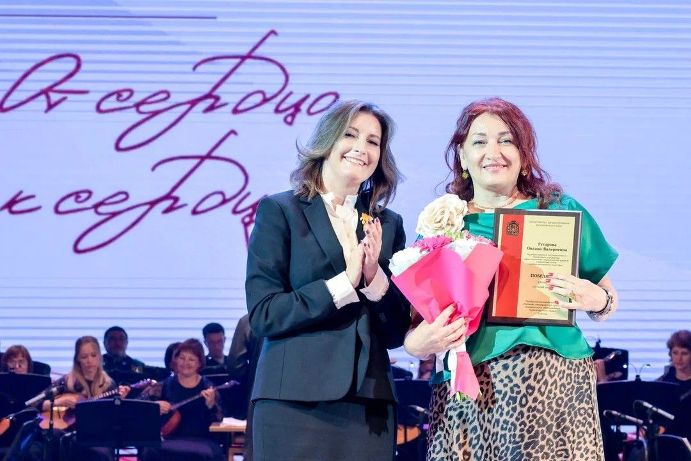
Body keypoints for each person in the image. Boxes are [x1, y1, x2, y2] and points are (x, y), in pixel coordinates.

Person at [404, 97, 619, 460]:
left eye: (506, 140)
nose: (494, 152)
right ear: (462, 156)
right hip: (468, 388)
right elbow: (415, 330)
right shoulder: (443, 224)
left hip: (553, 381)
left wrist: (594, 298)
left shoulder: (558, 209)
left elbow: (608, 300)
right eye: (480, 141)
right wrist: (418, 344)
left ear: (524, 155)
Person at [245, 99, 411, 460]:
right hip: (293, 402)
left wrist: (373, 279)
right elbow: (265, 314)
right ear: (326, 142)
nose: (361, 148)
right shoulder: (280, 210)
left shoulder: (388, 224)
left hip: (369, 403)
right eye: (350, 135)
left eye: (373, 141)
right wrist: (345, 283)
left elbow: (396, 332)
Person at [44, 336, 129, 461]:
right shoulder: (67, 382)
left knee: (99, 452)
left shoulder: (109, 385)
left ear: (99, 357)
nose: (89, 360)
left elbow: (113, 419)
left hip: (97, 437)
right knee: (52, 438)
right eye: (84, 357)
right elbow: (39, 403)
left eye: (93, 355)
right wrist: (59, 401)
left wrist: (119, 401)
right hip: (67, 433)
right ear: (77, 359)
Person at [142, 338, 224, 461]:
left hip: (202, 440)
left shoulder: (208, 387)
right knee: (150, 450)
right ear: (175, 360)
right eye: (182, 358)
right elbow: (141, 408)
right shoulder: (164, 385)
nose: (186, 363)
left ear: (199, 363)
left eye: (191, 359)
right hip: (169, 438)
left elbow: (218, 419)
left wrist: (210, 405)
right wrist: (155, 406)